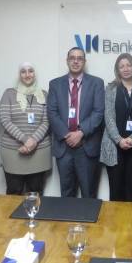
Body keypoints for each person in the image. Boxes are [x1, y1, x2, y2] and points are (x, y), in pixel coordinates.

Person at [47, 47, 105, 198]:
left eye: (80, 58)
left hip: (87, 146)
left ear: (84, 62)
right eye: (72, 58)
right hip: (63, 147)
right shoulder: (55, 84)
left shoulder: (97, 83)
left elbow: (98, 112)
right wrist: (67, 135)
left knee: (88, 193)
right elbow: (52, 112)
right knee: (66, 193)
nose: (76, 61)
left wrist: (80, 133)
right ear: (67, 61)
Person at [100, 53, 132, 202]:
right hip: (115, 147)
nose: (126, 69)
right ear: (117, 70)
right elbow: (108, 117)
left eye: (128, 65)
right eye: (122, 66)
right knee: (116, 192)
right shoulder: (111, 89)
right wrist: (119, 140)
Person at [0, 62, 51, 195]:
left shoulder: (44, 94)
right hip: (13, 151)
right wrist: (26, 140)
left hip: (39, 152)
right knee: (14, 192)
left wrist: (33, 141)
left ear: (34, 74)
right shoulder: (9, 94)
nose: (27, 74)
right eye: (23, 71)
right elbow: (5, 119)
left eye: (30, 71)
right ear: (19, 74)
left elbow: (47, 121)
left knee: (35, 192)